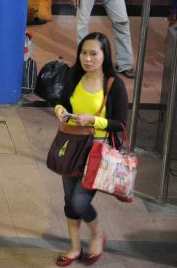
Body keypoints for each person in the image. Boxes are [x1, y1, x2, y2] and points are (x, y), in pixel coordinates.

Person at [53, 32, 128, 266]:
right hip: (71, 143)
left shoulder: (114, 85)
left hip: (97, 149)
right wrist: (59, 112)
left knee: (80, 201)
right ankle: (75, 247)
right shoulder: (75, 77)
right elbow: (62, 102)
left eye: (93, 53)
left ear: (104, 55)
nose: (87, 58)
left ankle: (97, 235)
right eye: (84, 53)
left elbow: (121, 123)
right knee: (68, 199)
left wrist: (93, 121)